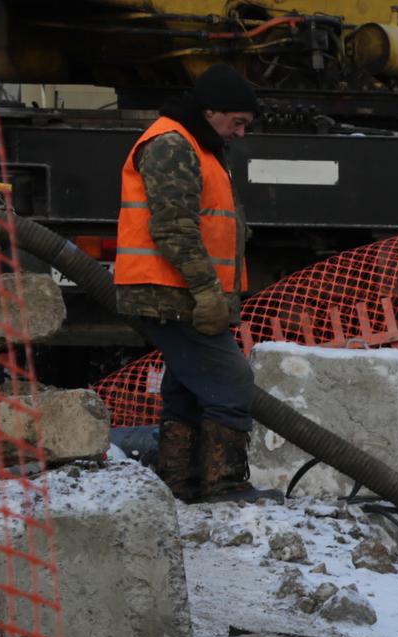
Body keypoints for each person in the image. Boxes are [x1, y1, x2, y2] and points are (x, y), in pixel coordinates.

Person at [114, 64, 265, 503]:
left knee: (187, 385)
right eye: (237, 122)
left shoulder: (197, 145)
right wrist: (205, 291)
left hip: (176, 290)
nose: (239, 133)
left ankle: (183, 485)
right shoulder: (172, 145)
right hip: (173, 292)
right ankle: (225, 486)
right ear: (211, 111)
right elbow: (175, 227)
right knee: (232, 382)